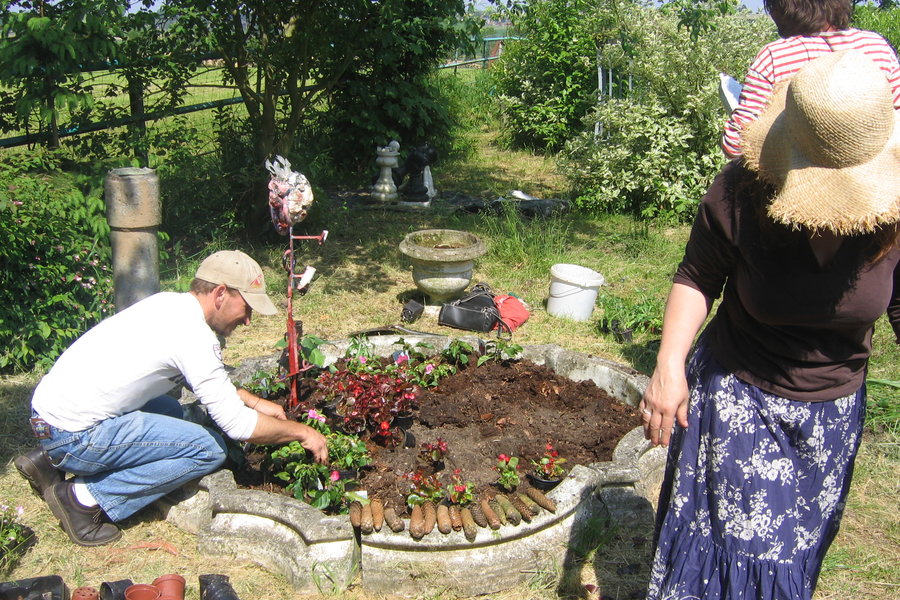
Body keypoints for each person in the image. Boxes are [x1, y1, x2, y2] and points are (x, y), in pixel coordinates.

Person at [643, 50, 899, 599]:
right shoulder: (745, 188)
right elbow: (696, 276)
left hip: (832, 415)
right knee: (741, 558)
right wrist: (668, 366)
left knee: (796, 558)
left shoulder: (896, 204)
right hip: (742, 391)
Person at [14, 250, 328, 547]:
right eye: (246, 307)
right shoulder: (193, 336)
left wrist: (253, 400)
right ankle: (83, 499)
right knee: (207, 449)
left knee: (170, 410)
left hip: (51, 417)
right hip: (75, 435)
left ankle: (46, 462)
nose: (247, 320)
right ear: (220, 294)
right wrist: (303, 432)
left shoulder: (169, 306)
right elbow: (238, 426)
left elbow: (201, 379)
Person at [721, 0, 900, 158]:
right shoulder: (876, 47)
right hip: (875, 181)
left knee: (724, 186)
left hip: (803, 183)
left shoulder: (775, 57)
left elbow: (735, 145)